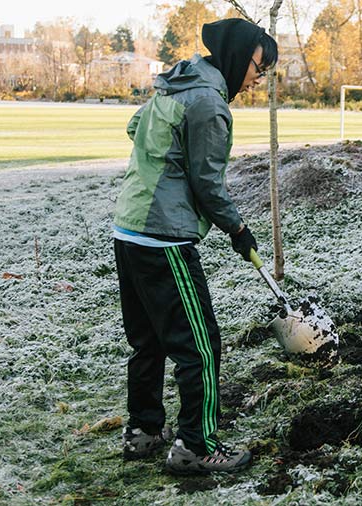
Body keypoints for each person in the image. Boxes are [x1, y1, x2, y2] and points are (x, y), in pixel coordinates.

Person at [112, 18, 277, 474]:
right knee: (199, 347)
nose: (256, 79)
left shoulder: (175, 83)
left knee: (148, 341)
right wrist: (239, 230)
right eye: (257, 68)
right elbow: (208, 184)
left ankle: (143, 431)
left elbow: (134, 127)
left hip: (128, 226)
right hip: (163, 236)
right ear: (237, 56)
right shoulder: (209, 103)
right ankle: (195, 445)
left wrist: (162, 160)